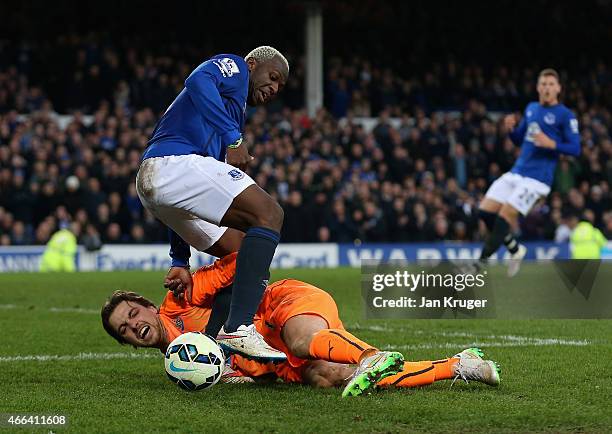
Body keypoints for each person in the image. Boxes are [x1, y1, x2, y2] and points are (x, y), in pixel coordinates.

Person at [101, 254, 501, 397]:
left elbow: (243, 260)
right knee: (328, 377)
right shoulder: (182, 369)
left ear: (148, 305)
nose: (133, 326)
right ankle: (462, 364)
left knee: (302, 339)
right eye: (124, 330)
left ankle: (370, 355)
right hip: (279, 360)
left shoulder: (183, 298)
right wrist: (244, 378)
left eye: (133, 314)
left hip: (282, 305)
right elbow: (255, 373)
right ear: (130, 344)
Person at [135, 46, 289, 360]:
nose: (274, 88)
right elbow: (198, 79)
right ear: (253, 64)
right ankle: (239, 326)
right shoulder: (235, 67)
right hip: (170, 165)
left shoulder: (230, 113)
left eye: (280, 87)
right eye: (272, 77)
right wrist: (234, 139)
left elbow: (185, 202)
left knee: (242, 251)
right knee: (270, 214)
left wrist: (179, 260)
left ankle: (216, 353)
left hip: (161, 182)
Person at [477, 69, 580, 276]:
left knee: (504, 216)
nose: (547, 88)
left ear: (558, 88)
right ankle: (515, 250)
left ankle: (477, 266)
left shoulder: (565, 115)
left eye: (551, 84)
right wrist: (511, 130)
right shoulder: (531, 108)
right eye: (543, 84)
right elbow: (520, 139)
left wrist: (552, 143)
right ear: (537, 88)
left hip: (537, 180)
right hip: (517, 172)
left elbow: (575, 148)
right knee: (485, 212)